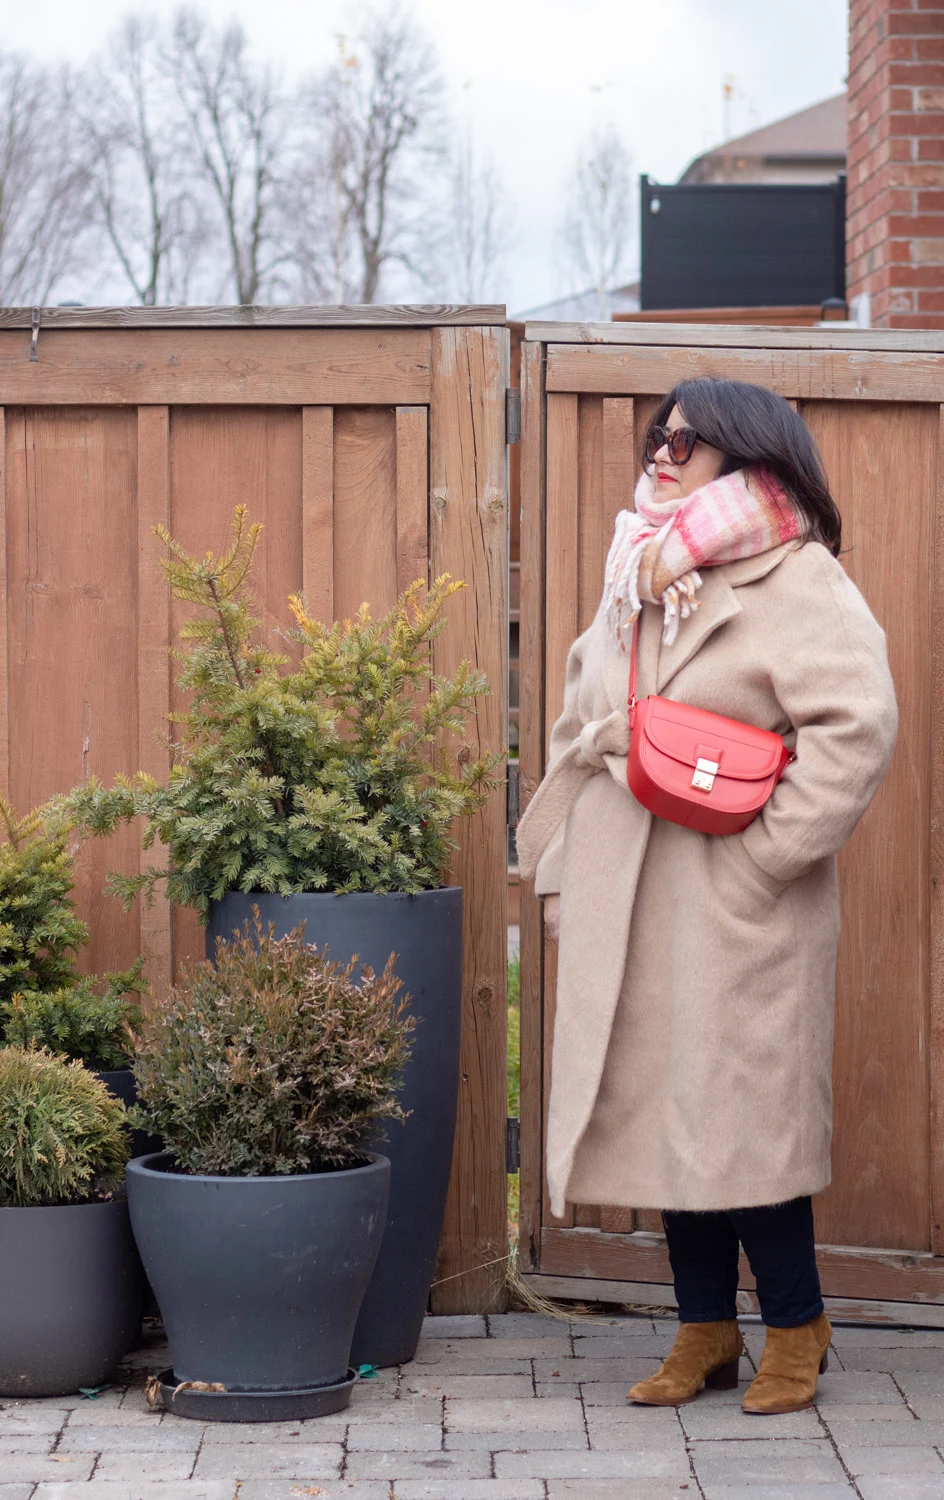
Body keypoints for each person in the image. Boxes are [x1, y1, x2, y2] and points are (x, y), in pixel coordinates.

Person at [516, 377, 898, 1415]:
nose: (662, 450)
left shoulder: (793, 576)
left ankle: (794, 1328)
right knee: (660, 1124)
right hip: (626, 892)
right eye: (658, 433)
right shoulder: (636, 571)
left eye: (686, 439)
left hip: (738, 908)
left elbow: (855, 724)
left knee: (744, 1127)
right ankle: (701, 1332)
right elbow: (577, 727)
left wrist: (768, 857)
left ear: (742, 454)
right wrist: (561, 882)